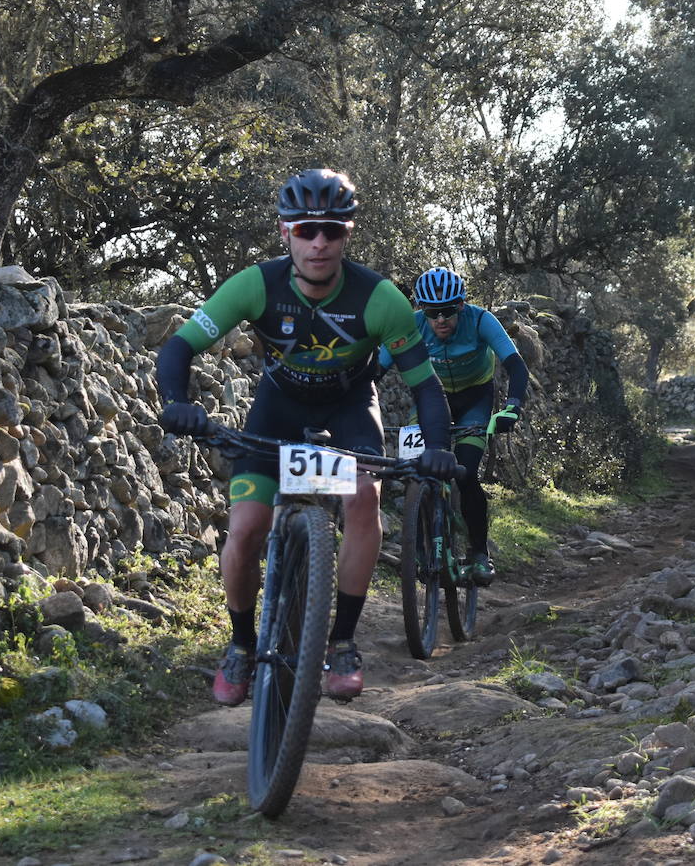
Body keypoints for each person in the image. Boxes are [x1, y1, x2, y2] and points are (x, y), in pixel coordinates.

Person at [156, 168, 457, 705]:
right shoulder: (255, 285)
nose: (319, 242)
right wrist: (179, 404)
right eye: (305, 230)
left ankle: (341, 641)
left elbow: (426, 387)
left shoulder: (380, 298)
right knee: (246, 527)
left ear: (347, 234)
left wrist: (438, 449)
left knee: (364, 500)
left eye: (332, 230)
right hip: (278, 406)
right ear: (284, 232)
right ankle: (242, 645)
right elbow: (178, 348)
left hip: (348, 407)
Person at [377, 267, 529, 587]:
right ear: (422, 309)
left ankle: (478, 552)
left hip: (475, 400)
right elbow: (376, 370)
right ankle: (419, 548)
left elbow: (515, 364)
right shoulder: (413, 326)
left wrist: (512, 407)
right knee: (416, 472)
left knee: (466, 474)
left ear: (461, 305)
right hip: (431, 400)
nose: (441, 319)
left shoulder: (480, 320)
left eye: (448, 310)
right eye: (432, 312)